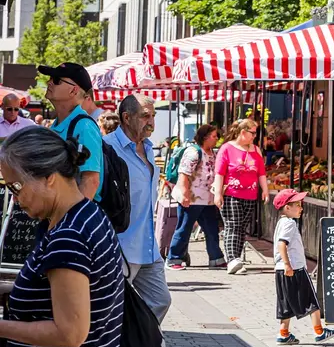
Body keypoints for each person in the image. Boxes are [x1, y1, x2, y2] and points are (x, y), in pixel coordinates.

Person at [0, 127, 124, 347]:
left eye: (16, 186)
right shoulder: (85, 214)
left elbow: (70, 332)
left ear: (50, 178)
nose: (15, 198)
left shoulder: (68, 236)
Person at [105, 93, 172, 323]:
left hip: (147, 244)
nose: (151, 122)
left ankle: (138, 346)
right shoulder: (108, 148)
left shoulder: (150, 148)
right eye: (145, 116)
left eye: (153, 116)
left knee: (160, 299)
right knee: (112, 307)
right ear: (126, 117)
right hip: (120, 244)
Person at [272, 188, 334, 344]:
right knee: (311, 300)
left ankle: (283, 333)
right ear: (287, 207)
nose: (301, 208)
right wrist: (288, 265)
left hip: (281, 270)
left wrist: (282, 265)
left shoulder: (281, 223)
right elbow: (282, 245)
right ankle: (319, 332)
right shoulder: (289, 224)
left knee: (285, 303)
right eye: (298, 205)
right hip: (295, 268)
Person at [167, 124, 225, 270]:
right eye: (213, 136)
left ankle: (216, 258)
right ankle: (174, 258)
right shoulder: (193, 152)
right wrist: (185, 194)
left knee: (211, 229)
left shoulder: (213, 152)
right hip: (192, 199)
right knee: (184, 228)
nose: (216, 138)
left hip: (208, 199)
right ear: (205, 137)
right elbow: (183, 174)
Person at [214, 118, 268, 275]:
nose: (254, 136)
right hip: (232, 193)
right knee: (233, 225)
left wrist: (264, 190)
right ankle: (232, 259)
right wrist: (218, 194)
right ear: (243, 132)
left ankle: (236, 259)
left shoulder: (256, 150)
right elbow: (220, 173)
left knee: (242, 227)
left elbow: (261, 172)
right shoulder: (227, 148)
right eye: (252, 133)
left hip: (250, 195)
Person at [42, 63, 103, 201]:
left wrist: (74, 218)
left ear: (73, 91)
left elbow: (91, 181)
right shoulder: (58, 125)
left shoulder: (84, 126)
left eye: (56, 80)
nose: (49, 82)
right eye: (51, 78)